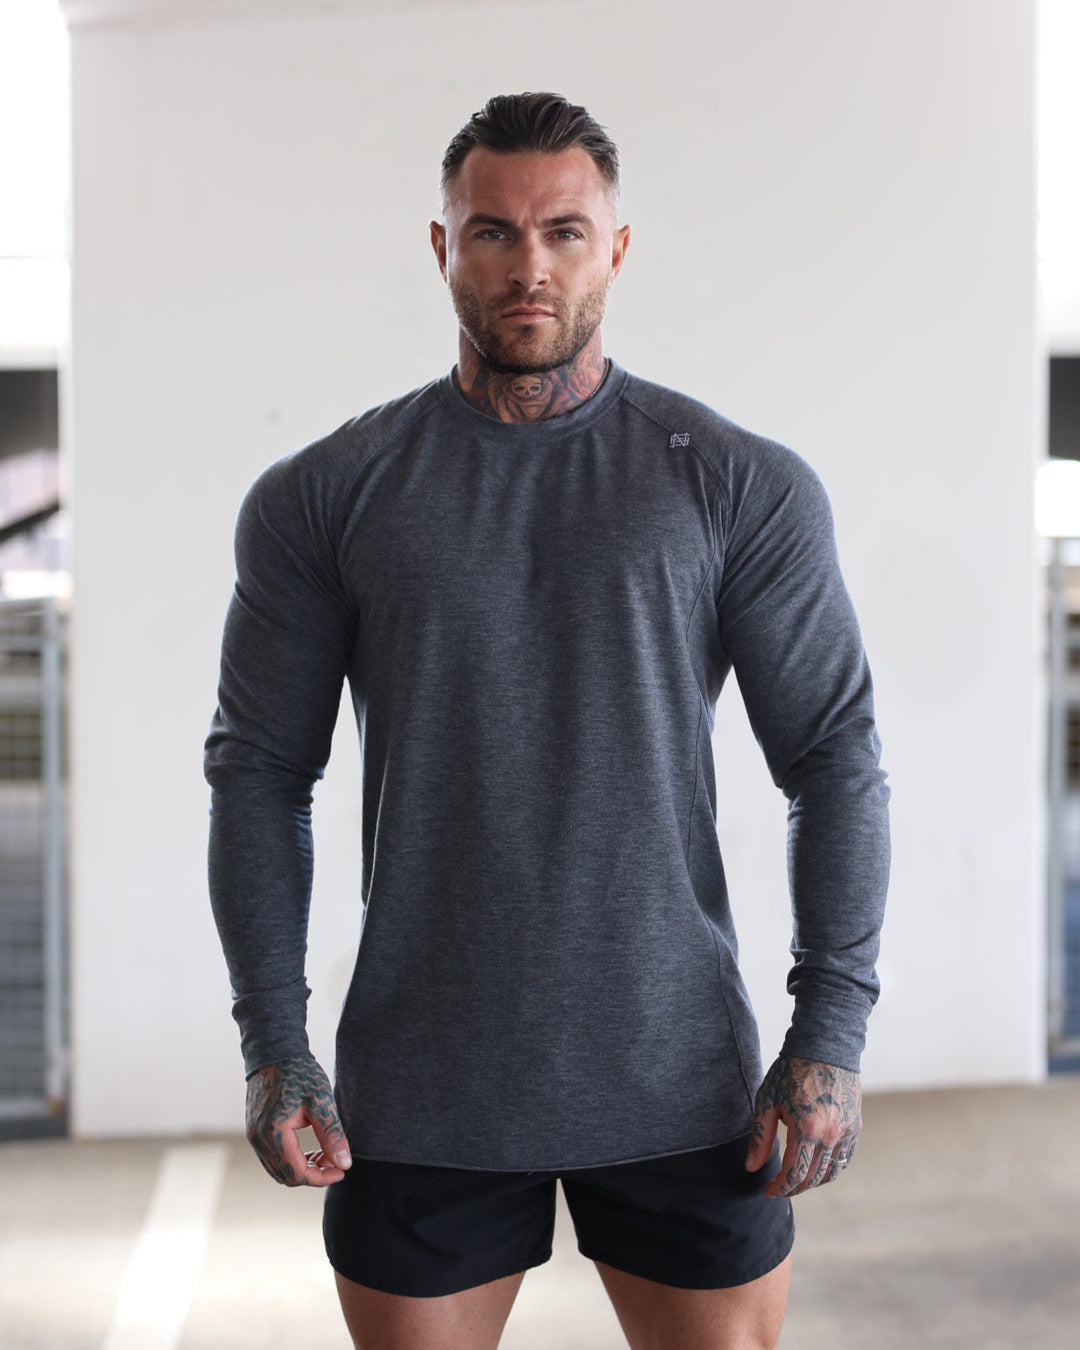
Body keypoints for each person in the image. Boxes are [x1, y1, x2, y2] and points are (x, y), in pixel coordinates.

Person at [205, 91, 890, 1350]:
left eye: (564, 232)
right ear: (443, 247)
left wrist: (829, 1037)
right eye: (493, 232)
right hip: (424, 1085)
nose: (530, 265)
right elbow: (259, 775)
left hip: (679, 1077)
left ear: (614, 248)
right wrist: (272, 1044)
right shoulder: (326, 495)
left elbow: (834, 760)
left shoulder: (736, 483)